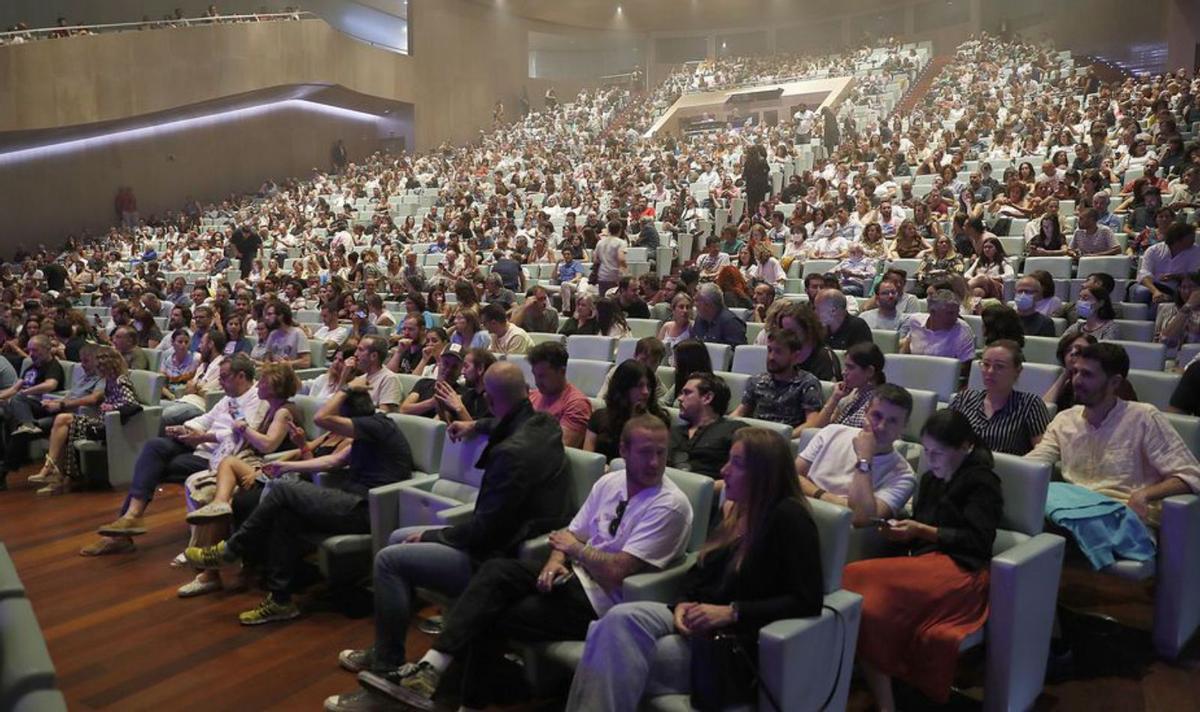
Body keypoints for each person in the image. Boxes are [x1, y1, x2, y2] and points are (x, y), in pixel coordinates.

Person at [354, 415, 692, 711]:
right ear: (624, 449)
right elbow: (570, 533)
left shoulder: (670, 505)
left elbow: (618, 571)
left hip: (603, 602)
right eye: (646, 452)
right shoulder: (610, 482)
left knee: (494, 611)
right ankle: (432, 667)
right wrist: (555, 560)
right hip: (572, 576)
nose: (655, 462)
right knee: (496, 571)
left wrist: (572, 550)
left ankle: (466, 700)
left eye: (661, 452)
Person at [325, 362, 574, 707]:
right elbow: (501, 422)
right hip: (510, 540)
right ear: (525, 391)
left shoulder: (511, 455)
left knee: (388, 560)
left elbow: (486, 531)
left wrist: (434, 535)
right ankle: (387, 650)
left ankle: (386, 669)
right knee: (399, 537)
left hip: (498, 556)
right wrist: (474, 425)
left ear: (488, 397)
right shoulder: (543, 425)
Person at [566, 427, 823, 711]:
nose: (724, 471)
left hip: (728, 641)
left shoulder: (790, 518)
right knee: (616, 620)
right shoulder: (737, 511)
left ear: (763, 474)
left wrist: (732, 612)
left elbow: (807, 600)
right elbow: (699, 572)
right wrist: (682, 603)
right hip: (694, 617)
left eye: (736, 464)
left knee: (609, 653)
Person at [185, 380, 414, 624]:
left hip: (365, 509)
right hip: (348, 504)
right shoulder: (368, 432)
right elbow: (331, 462)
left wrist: (345, 388)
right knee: (286, 513)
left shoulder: (377, 426)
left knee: (284, 491)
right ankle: (280, 601)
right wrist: (285, 465)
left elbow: (321, 418)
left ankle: (231, 550)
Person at [842, 409, 1002, 708]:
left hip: (961, 572)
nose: (932, 459)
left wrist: (923, 531)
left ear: (965, 447)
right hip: (926, 562)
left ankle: (886, 699)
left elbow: (978, 542)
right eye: (927, 451)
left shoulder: (982, 482)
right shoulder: (930, 479)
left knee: (860, 586)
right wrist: (902, 530)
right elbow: (920, 525)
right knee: (853, 581)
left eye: (939, 453)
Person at [82, 354, 264, 556]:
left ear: (240, 376)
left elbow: (242, 434)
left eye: (224, 377)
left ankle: (123, 530)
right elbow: (206, 417)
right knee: (154, 447)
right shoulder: (229, 397)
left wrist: (204, 436)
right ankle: (130, 517)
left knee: (152, 467)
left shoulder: (256, 398)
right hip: (201, 445)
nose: (219, 382)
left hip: (220, 458)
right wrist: (186, 428)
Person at [1029, 343, 1200, 528]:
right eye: (1075, 372)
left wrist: (1144, 494)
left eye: (1087, 375)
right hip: (1073, 510)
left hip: (1122, 514)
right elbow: (1035, 462)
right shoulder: (1065, 419)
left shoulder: (1143, 417)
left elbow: (1190, 475)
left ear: (1115, 382)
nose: (1077, 381)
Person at [795, 384, 917, 527]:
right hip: (800, 513)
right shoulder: (832, 432)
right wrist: (826, 496)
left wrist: (864, 458)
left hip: (839, 533)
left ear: (904, 426)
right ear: (865, 412)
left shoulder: (904, 476)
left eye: (892, 421)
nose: (882, 427)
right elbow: (791, 476)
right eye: (877, 416)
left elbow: (861, 518)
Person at [29, 347, 143, 496]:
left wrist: (112, 407)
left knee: (64, 422)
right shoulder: (110, 380)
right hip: (101, 421)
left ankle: (54, 472)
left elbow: (133, 406)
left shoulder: (121, 380)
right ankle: (58, 475)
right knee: (62, 421)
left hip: (108, 425)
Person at [949, 340, 1051, 455]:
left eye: (1000, 367)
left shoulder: (1030, 404)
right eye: (986, 364)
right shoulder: (964, 398)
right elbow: (942, 439)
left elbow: (1043, 453)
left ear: (1017, 371)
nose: (990, 371)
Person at [732, 329, 823, 435]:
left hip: (785, 442)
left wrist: (785, 436)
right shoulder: (757, 381)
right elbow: (740, 412)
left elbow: (812, 423)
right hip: (755, 437)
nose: (771, 357)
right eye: (770, 350)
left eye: (778, 352)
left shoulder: (807, 383)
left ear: (795, 356)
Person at [585, 360, 670, 462]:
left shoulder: (659, 420)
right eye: (639, 386)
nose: (646, 392)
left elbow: (658, 461)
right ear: (624, 388)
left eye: (649, 386)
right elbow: (588, 459)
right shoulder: (599, 417)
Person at [669, 372, 746, 483]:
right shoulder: (673, 432)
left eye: (687, 393)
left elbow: (746, 475)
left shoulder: (735, 431)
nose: (680, 398)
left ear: (707, 398)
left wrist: (705, 490)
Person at [527, 341, 591, 448]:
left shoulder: (577, 404)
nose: (537, 382)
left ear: (562, 371)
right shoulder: (532, 395)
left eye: (543, 376)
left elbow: (560, 449)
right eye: (535, 375)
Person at [809, 342, 886, 429]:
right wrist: (835, 398)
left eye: (850, 367)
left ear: (869, 371)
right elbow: (817, 428)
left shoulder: (878, 404)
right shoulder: (850, 394)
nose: (843, 372)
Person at [900, 288, 976, 362]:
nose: (956, 317)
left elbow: (966, 369)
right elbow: (904, 354)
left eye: (957, 312)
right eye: (950, 313)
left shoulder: (963, 330)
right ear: (932, 312)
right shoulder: (915, 322)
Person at [1133, 222, 1200, 304]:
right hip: (1151, 286)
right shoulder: (1154, 250)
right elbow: (1144, 274)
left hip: (1178, 287)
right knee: (1142, 292)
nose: (1194, 239)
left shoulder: (1196, 251)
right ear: (1178, 239)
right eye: (1191, 237)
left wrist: (1175, 277)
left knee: (1172, 296)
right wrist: (1155, 292)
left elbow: (1193, 276)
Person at [400, 343, 466, 422]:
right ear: (439, 363)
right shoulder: (424, 383)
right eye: (446, 363)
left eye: (454, 367)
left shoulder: (460, 394)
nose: (448, 370)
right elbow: (403, 409)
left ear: (461, 370)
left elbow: (440, 424)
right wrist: (432, 402)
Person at [352, 335, 403, 413]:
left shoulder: (389, 379)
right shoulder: (360, 378)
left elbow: (384, 414)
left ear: (374, 356)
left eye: (360, 350)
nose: (355, 354)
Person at [262, 301, 313, 369]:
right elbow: (267, 357)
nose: (266, 318)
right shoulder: (273, 334)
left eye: (270, 314)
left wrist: (287, 364)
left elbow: (306, 362)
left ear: (281, 316)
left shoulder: (298, 333)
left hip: (290, 373)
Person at [593, 220, 628, 295]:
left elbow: (595, 260)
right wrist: (626, 272)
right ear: (620, 230)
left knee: (603, 301)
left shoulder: (600, 242)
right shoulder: (621, 242)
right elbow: (621, 259)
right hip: (614, 276)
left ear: (608, 230)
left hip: (602, 275)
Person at [656, 293, 694, 361]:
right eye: (681, 307)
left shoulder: (693, 328)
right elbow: (657, 350)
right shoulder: (666, 326)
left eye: (688, 307)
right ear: (673, 309)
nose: (685, 310)